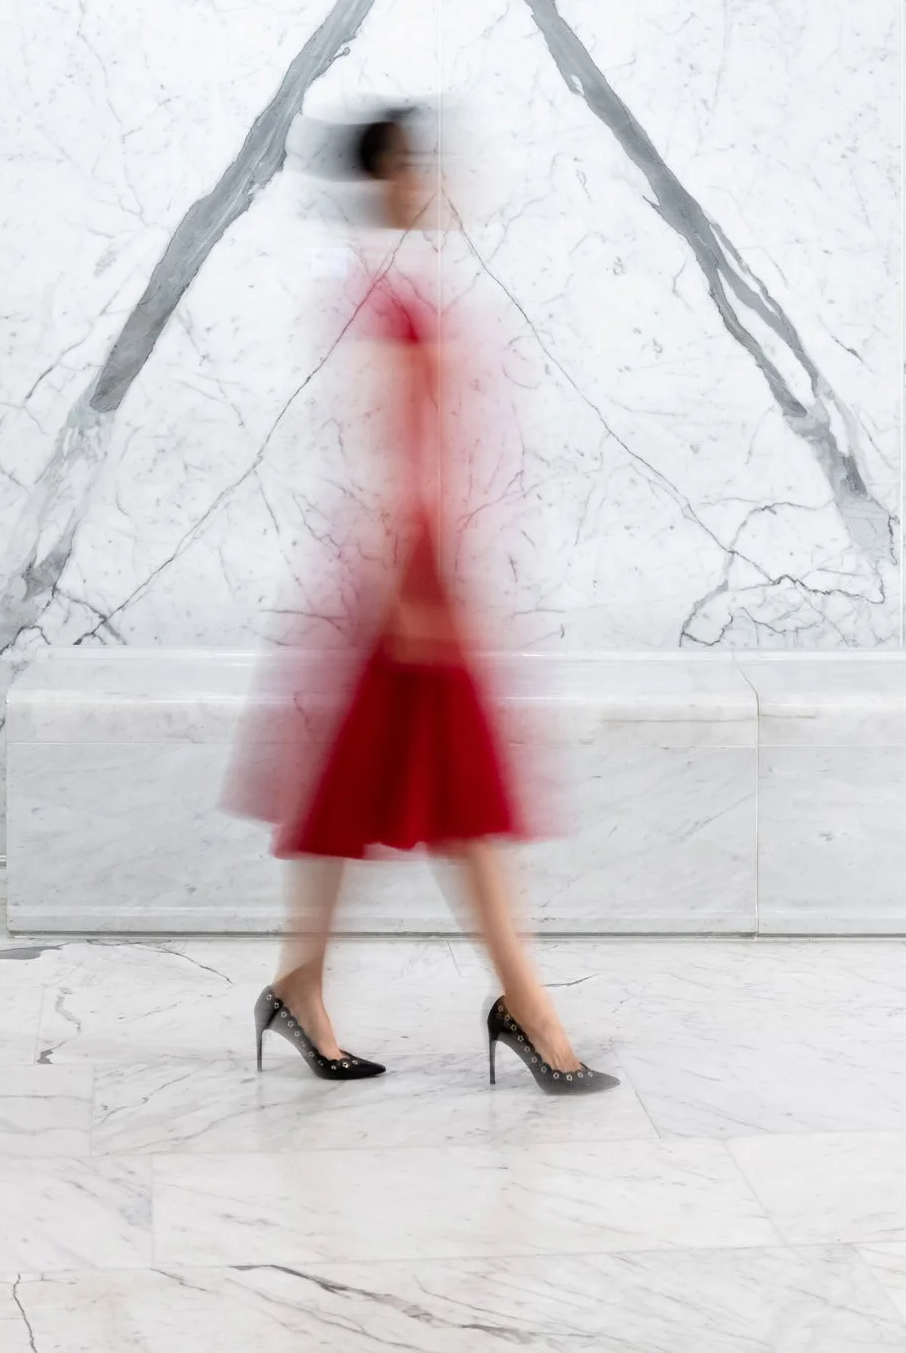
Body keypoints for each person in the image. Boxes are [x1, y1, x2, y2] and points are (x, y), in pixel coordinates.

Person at [241, 110, 615, 1095]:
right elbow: (396, 442)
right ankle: (526, 1010)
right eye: (419, 165)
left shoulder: (396, 278)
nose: (436, 181)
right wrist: (416, 577)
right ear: (389, 175)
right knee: (463, 798)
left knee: (363, 798)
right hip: (408, 580)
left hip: (406, 575)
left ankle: (299, 985)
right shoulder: (381, 285)